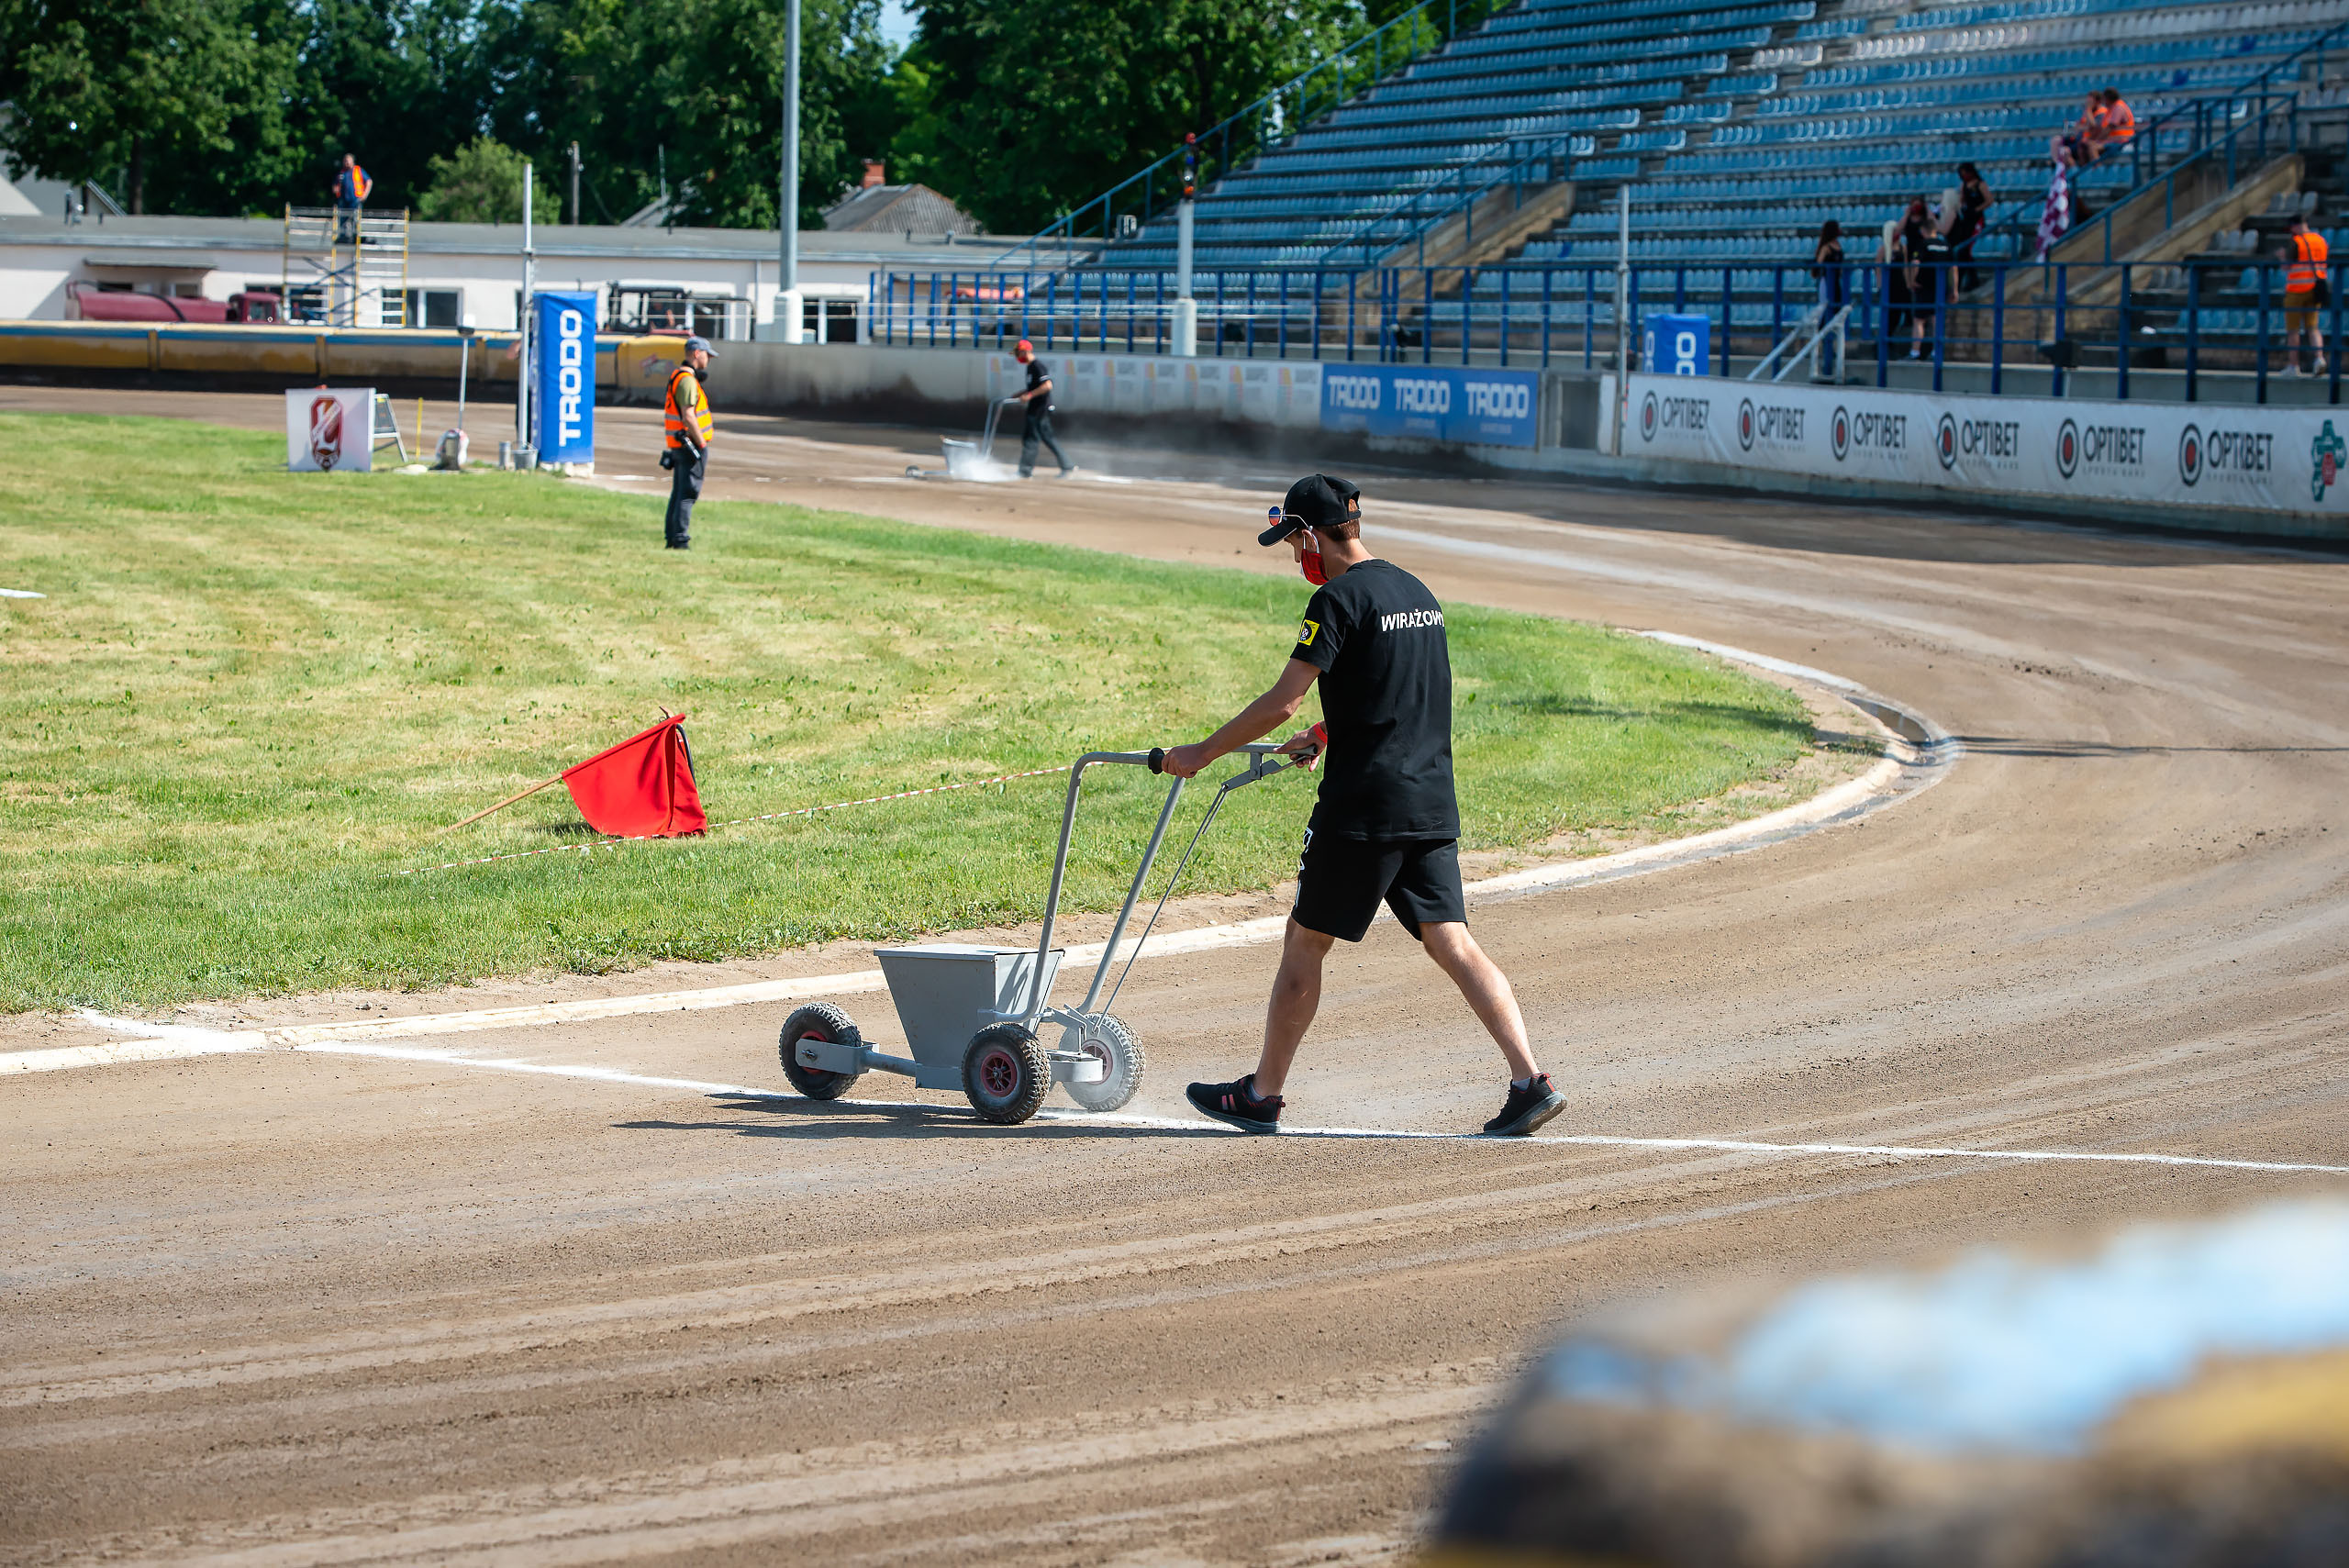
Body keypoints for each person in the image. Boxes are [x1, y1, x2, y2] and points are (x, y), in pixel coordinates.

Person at [1163, 474, 1564, 1140]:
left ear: (1314, 533)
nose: (1296, 559)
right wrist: (1326, 733)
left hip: (1362, 808)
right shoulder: (1418, 593)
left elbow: (1283, 699)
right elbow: (1401, 691)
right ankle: (1530, 1081)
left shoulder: (1336, 600)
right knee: (1452, 940)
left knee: (1304, 940)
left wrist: (1202, 751)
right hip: (1431, 799)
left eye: (1294, 543)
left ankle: (1262, 1094)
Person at [661, 336, 716, 549]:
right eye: (707, 355)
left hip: (679, 445)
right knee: (687, 494)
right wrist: (701, 444)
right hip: (689, 446)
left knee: (678, 493)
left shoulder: (678, 376)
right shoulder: (687, 380)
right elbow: (688, 415)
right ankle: (680, 539)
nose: (708, 359)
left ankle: (672, 537)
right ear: (696, 353)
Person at [1008, 339, 1074, 479]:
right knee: (1045, 438)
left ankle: (1025, 471)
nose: (1016, 357)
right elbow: (1033, 387)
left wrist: (1030, 395)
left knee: (1031, 439)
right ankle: (1067, 466)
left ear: (1025, 351)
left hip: (1040, 409)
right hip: (1036, 408)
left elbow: (1047, 386)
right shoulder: (1030, 367)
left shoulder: (1038, 366)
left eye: (1018, 353)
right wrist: (1021, 393)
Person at [2280, 213, 2329, 377]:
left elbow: (2287, 267)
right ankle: (2319, 359)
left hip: (2296, 290)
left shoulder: (2296, 242)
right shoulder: (2321, 241)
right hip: (2315, 289)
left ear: (2295, 226)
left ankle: (2294, 366)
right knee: (2313, 328)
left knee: (2293, 330)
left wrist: (2281, 257)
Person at [1812, 220, 1846, 377]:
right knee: (1826, 312)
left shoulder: (1837, 245)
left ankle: (1830, 346)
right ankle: (1820, 346)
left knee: (1836, 313)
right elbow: (1817, 266)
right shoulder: (1826, 248)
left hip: (1836, 282)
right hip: (1827, 281)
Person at [1953, 163, 1992, 293]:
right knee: (1963, 250)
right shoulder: (1964, 185)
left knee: (1968, 250)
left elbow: (1989, 200)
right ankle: (1971, 279)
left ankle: (1972, 279)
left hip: (1976, 219)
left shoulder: (1980, 184)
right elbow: (1961, 200)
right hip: (1967, 219)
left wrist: (1977, 209)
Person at [332, 153, 372, 242]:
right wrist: (335, 190)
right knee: (342, 218)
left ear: (352, 161)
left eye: (348, 160)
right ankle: (343, 236)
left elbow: (369, 181)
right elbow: (335, 185)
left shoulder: (358, 170)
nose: (346, 163)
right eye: (345, 161)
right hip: (343, 200)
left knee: (355, 218)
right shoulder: (341, 173)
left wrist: (365, 195)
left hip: (355, 200)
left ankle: (356, 236)